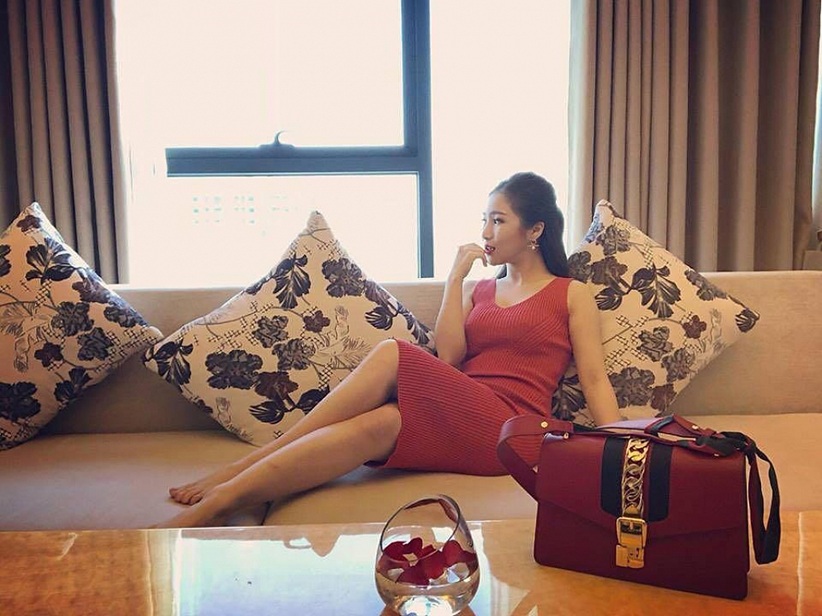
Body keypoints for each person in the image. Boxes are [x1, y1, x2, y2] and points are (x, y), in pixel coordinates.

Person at [158, 171, 622, 528]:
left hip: (513, 429)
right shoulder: (478, 290)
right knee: (379, 424)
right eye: (484, 219)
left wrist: (624, 445)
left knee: (393, 352)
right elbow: (450, 360)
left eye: (498, 221)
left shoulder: (570, 293)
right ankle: (227, 498)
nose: (486, 231)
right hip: (465, 413)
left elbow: (595, 379)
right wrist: (454, 279)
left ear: (535, 230)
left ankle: (243, 467)